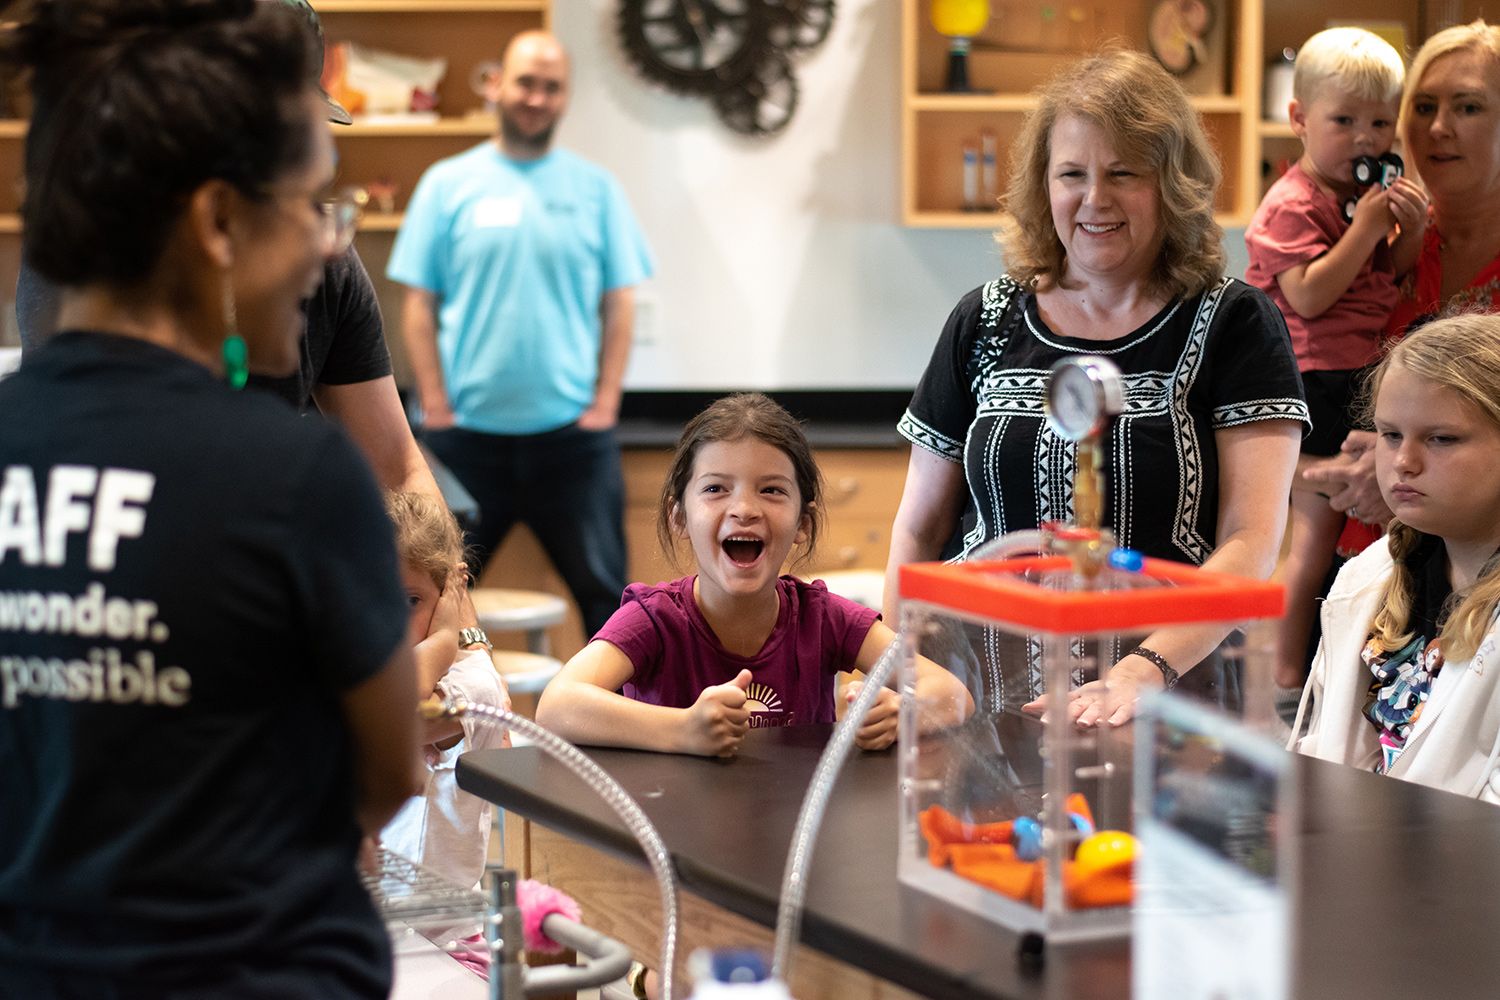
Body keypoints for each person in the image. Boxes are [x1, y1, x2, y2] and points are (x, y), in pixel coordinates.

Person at [0, 3, 420, 997]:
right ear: (219, 221)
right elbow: (387, 778)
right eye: (311, 204)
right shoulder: (299, 479)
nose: (327, 246)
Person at [884, 50, 1307, 725]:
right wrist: (904, 668)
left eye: (1123, 173)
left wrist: (1144, 672)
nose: (1094, 199)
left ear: (1170, 185)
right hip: (980, 716)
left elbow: (1251, 539)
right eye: (1072, 174)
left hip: (1170, 714)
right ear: (1042, 186)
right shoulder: (982, 319)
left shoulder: (1234, 322)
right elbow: (918, 529)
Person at [12, 0, 440, 501]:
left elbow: (399, 471)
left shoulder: (331, 273)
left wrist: (438, 562)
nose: (322, 242)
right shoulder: (78, 271)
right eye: (296, 187)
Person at [388, 30, 655, 639]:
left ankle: (608, 728)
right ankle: (436, 732)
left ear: (565, 99)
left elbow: (620, 302)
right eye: (525, 82)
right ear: (496, 86)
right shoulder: (446, 184)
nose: (537, 97)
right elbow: (418, 303)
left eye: (552, 86)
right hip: (464, 445)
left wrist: (606, 401)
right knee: (428, 598)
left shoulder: (595, 190)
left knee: (611, 608)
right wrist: (435, 403)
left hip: (572, 445)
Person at [536, 393, 973, 757]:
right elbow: (556, 707)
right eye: (715, 489)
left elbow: (954, 694)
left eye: (771, 490)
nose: (745, 508)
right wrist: (683, 730)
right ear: (679, 519)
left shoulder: (824, 619)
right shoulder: (654, 620)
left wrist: (905, 712)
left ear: (803, 523)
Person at [1244, 28, 1427, 715]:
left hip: (1356, 372)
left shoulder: (1365, 196)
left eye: (1380, 122)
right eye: (1343, 121)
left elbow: (1392, 275)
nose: (1364, 138)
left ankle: (1341, 665)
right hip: (1310, 378)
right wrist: (1365, 227)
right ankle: (1283, 672)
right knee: (1314, 532)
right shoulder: (1292, 202)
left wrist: (1405, 228)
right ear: (1299, 120)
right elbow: (1312, 295)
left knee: (1362, 532)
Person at [1292, 314, 1500, 803]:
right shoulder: (1369, 575)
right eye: (1390, 434)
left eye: (1441, 438)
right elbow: (1326, 751)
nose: (1403, 461)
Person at [1304, 22, 1500, 539]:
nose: (1438, 127)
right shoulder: (1377, 241)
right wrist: (1325, 472)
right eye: (1423, 106)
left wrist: (1394, 468)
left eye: (1468, 106)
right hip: (1354, 554)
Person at [380, 491, 510, 894]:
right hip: (376, 921)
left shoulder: (474, 684)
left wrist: (440, 640)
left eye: (410, 600)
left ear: (451, 591)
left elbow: (398, 719)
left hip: (443, 933)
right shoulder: (369, 674)